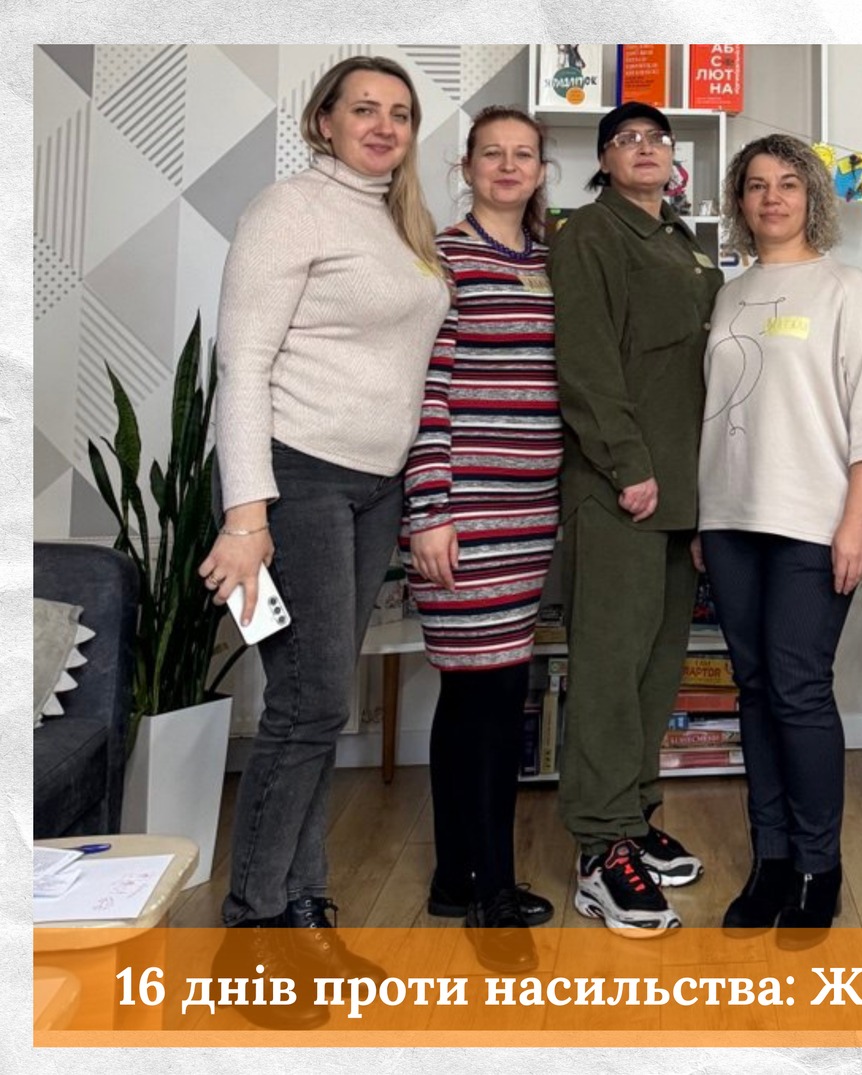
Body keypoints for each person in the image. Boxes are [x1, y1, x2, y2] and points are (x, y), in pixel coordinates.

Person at [201, 55, 449, 1029]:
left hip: (372, 486)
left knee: (316, 705)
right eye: (364, 109)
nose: (383, 126)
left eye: (400, 113)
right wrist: (246, 516)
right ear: (323, 121)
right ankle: (253, 930)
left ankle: (303, 912)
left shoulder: (398, 220)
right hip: (294, 480)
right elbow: (243, 362)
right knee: (307, 706)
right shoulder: (290, 209)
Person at [697, 134, 862, 948]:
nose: (772, 198)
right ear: (740, 203)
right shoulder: (729, 295)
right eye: (756, 185)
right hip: (730, 520)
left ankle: (820, 866)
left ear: (811, 197)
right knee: (753, 688)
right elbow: (717, 413)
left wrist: (856, 517)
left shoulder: (847, 290)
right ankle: (771, 860)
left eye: (788, 184)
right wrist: (707, 516)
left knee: (798, 687)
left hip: (813, 522)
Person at [549, 102, 722, 937]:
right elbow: (584, 361)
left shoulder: (683, 244)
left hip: (680, 493)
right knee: (609, 670)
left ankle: (636, 815)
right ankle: (600, 847)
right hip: (622, 486)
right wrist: (629, 464)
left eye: (657, 139)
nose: (645, 149)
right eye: (627, 140)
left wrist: (700, 491)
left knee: (656, 669)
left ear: (673, 158)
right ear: (604, 160)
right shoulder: (589, 233)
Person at [401, 105, 559, 973]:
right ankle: (493, 891)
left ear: (540, 170)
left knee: (473, 696)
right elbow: (424, 388)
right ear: (466, 167)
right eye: (492, 153)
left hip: (530, 514)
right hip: (462, 511)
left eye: (522, 154)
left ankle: (453, 873)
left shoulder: (549, 259)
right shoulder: (441, 257)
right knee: (490, 695)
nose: (507, 166)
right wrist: (429, 509)